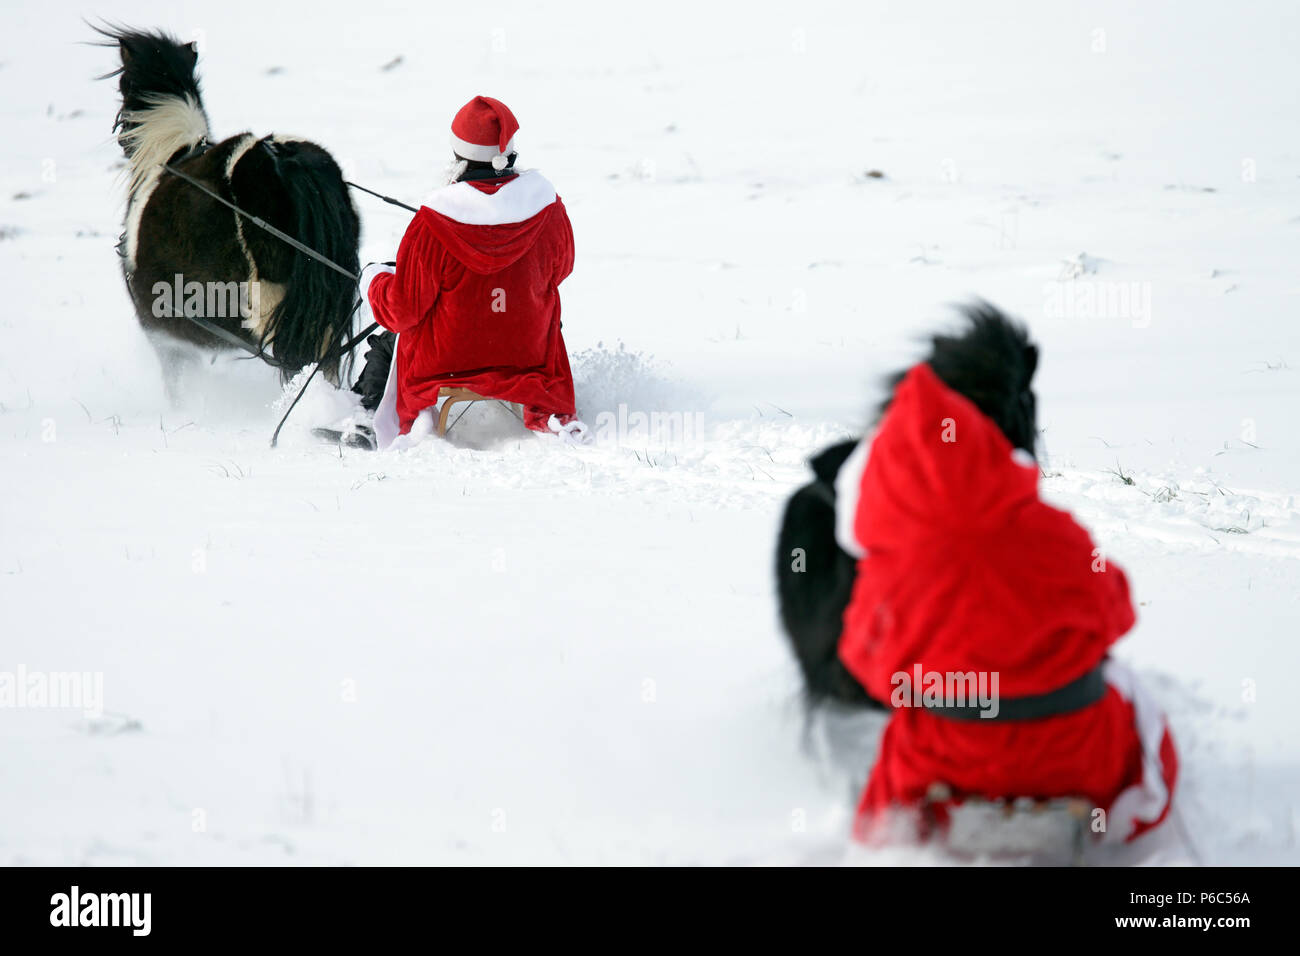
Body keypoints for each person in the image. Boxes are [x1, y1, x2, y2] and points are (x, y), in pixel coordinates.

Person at [347, 96, 587, 449]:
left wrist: (374, 278)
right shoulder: (548, 208)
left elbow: (401, 310)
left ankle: (366, 419)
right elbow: (560, 269)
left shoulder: (432, 222)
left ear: (459, 156)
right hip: (528, 357)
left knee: (388, 340)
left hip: (444, 366)